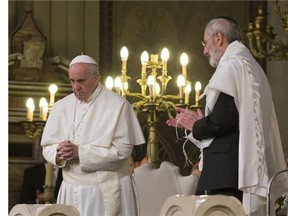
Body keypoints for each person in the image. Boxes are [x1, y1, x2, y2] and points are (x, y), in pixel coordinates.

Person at [166, 16, 286, 216]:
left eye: (205, 42)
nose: (204, 50)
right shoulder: (252, 66)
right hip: (237, 167)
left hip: (227, 172)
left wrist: (196, 125)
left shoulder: (232, 66)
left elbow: (223, 119)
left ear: (218, 38)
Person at [41, 54, 145, 216]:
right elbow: (47, 146)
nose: (76, 87)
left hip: (104, 190)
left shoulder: (118, 106)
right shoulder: (61, 106)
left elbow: (122, 151)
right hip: (69, 189)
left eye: (81, 81)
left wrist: (79, 152)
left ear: (97, 78)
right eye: (72, 81)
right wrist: (60, 152)